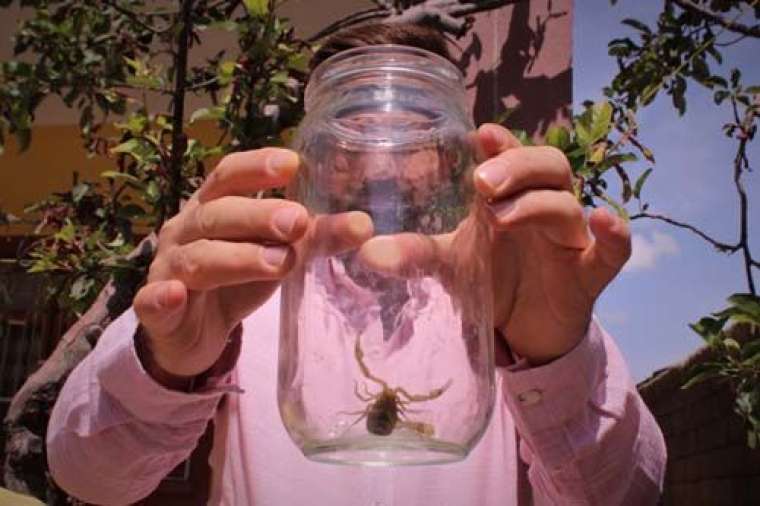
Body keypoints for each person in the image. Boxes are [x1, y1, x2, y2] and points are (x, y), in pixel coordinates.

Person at [46, 23, 666, 505]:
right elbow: (88, 477)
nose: (380, 163)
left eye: (414, 136)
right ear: (313, 150)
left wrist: (555, 359)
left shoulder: (518, 306)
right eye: (353, 135)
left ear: (457, 151)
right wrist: (165, 367)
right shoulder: (242, 298)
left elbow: (626, 495)